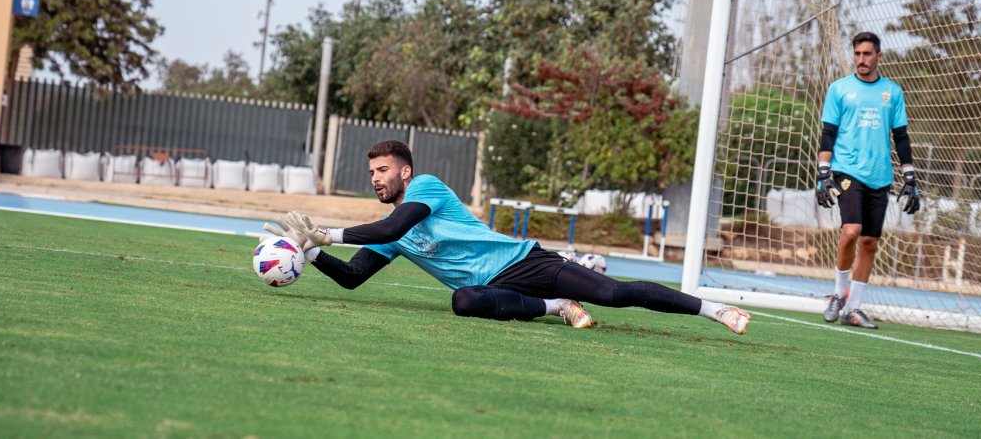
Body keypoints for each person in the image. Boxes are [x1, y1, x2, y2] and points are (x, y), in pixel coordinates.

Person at [263, 139, 751, 334]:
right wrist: (312, 251)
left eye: (383, 170)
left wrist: (328, 231)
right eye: (371, 171)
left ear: (405, 171)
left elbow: (392, 226)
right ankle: (556, 307)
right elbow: (352, 277)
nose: (376, 177)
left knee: (615, 295)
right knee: (463, 301)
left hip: (525, 262)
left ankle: (713, 309)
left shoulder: (426, 187)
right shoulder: (388, 229)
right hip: (499, 289)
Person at [816, 32, 920, 329]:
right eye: (858, 54)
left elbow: (900, 137)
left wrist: (910, 176)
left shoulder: (893, 92)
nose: (861, 60)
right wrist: (824, 172)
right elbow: (828, 133)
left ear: (879, 57)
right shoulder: (840, 89)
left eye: (867, 54)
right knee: (851, 231)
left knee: (870, 242)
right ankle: (838, 294)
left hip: (880, 176)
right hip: (847, 170)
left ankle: (854, 308)